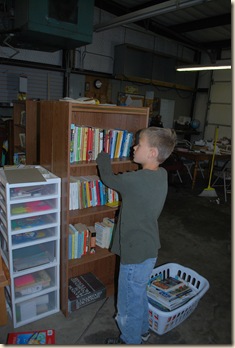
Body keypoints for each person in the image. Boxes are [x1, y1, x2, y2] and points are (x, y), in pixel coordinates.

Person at [96, 127, 177, 344]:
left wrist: (102, 154)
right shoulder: (161, 174)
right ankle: (142, 331)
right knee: (138, 295)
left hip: (134, 254)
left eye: (138, 144)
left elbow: (108, 178)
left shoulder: (136, 180)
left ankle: (130, 341)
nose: (134, 147)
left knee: (127, 305)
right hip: (149, 249)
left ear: (151, 152)